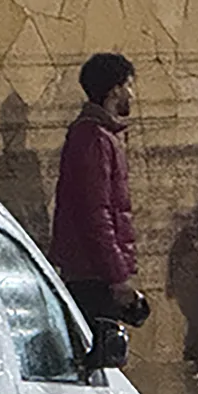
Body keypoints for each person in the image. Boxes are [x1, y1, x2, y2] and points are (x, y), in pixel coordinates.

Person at [51, 51, 149, 328]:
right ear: (115, 89)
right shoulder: (93, 138)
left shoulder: (100, 136)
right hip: (92, 274)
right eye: (128, 85)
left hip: (94, 270)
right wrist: (117, 275)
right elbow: (96, 212)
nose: (132, 94)